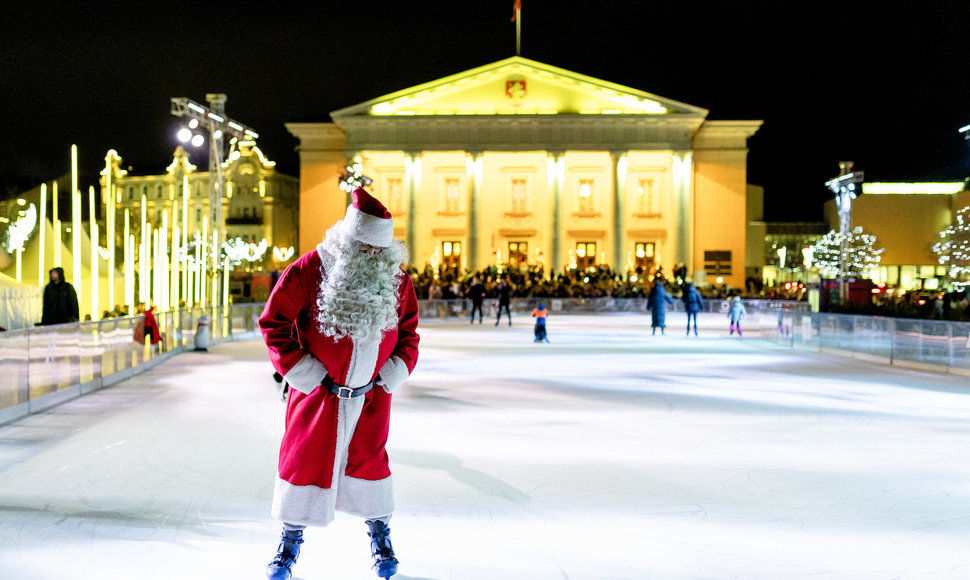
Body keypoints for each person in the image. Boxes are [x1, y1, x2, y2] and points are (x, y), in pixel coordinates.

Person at [258, 187, 420, 580]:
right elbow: (273, 324)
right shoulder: (309, 269)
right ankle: (289, 542)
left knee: (371, 466)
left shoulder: (396, 281)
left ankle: (381, 537)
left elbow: (409, 334)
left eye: (378, 252)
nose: (371, 257)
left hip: (371, 397)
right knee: (301, 465)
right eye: (365, 248)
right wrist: (305, 373)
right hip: (317, 396)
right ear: (349, 240)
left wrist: (392, 372)